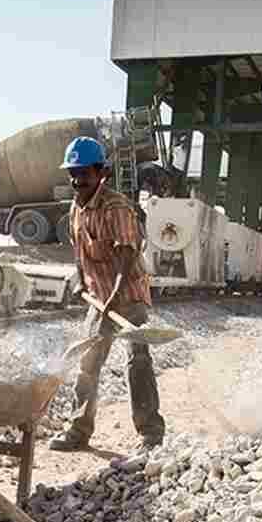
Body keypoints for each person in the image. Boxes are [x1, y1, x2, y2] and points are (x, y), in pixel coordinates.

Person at [48, 137, 166, 452]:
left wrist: (114, 296)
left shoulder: (116, 207)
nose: (77, 180)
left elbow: (127, 255)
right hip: (100, 298)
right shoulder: (76, 206)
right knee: (89, 361)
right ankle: (78, 431)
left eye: (83, 173)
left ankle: (151, 433)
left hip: (128, 294)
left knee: (137, 360)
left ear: (102, 173)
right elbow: (80, 252)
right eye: (73, 173)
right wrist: (79, 279)